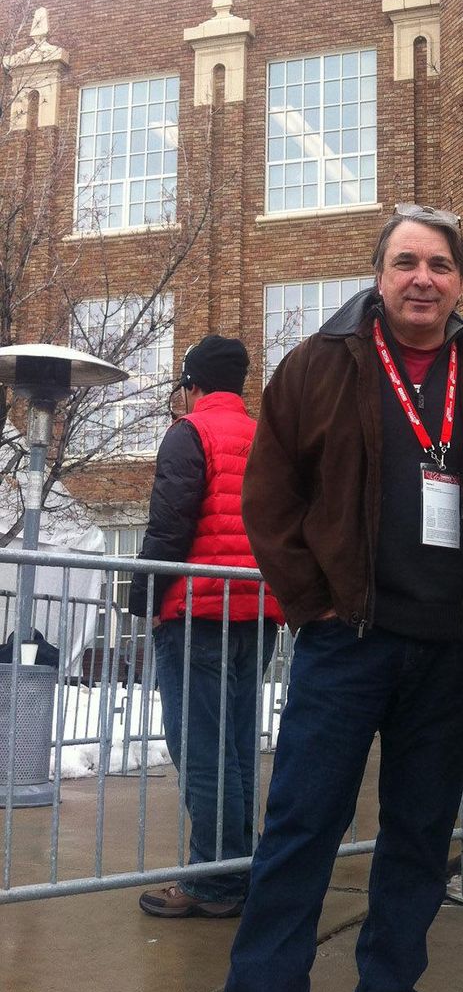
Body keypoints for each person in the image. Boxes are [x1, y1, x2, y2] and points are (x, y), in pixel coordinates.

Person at [205, 204, 463, 992]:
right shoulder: (319, 366)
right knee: (301, 827)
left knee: (419, 836)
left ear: (462, 280)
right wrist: (317, 608)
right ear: (378, 275)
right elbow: (270, 500)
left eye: (440, 265)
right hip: (349, 643)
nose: (423, 278)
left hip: (450, 649)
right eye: (406, 262)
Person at [130, 336, 284, 919]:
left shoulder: (189, 433)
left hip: (196, 613)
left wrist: (142, 595)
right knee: (237, 745)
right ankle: (239, 869)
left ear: (193, 384)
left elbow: (168, 525)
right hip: (257, 610)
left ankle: (215, 877)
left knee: (200, 746)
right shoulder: (265, 436)